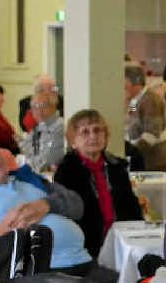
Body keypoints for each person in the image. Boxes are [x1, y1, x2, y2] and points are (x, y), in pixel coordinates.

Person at [0, 133, 90, 271]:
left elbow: (77, 205)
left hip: (82, 259)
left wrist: (46, 205)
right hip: (39, 275)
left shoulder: (27, 179)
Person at [54, 109, 144, 258]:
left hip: (121, 243)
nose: (93, 136)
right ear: (73, 142)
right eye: (85, 132)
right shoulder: (66, 172)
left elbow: (131, 206)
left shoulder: (117, 167)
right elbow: (68, 216)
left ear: (105, 136)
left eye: (97, 130)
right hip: (85, 247)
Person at [125, 63, 166, 174]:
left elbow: (152, 133)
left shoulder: (150, 100)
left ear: (135, 82)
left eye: (124, 83)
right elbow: (131, 119)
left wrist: (132, 151)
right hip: (148, 158)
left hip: (157, 160)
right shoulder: (134, 100)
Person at [18, 91, 65, 173]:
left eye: (43, 106)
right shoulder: (39, 127)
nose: (38, 111)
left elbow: (48, 161)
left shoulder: (59, 127)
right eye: (34, 107)